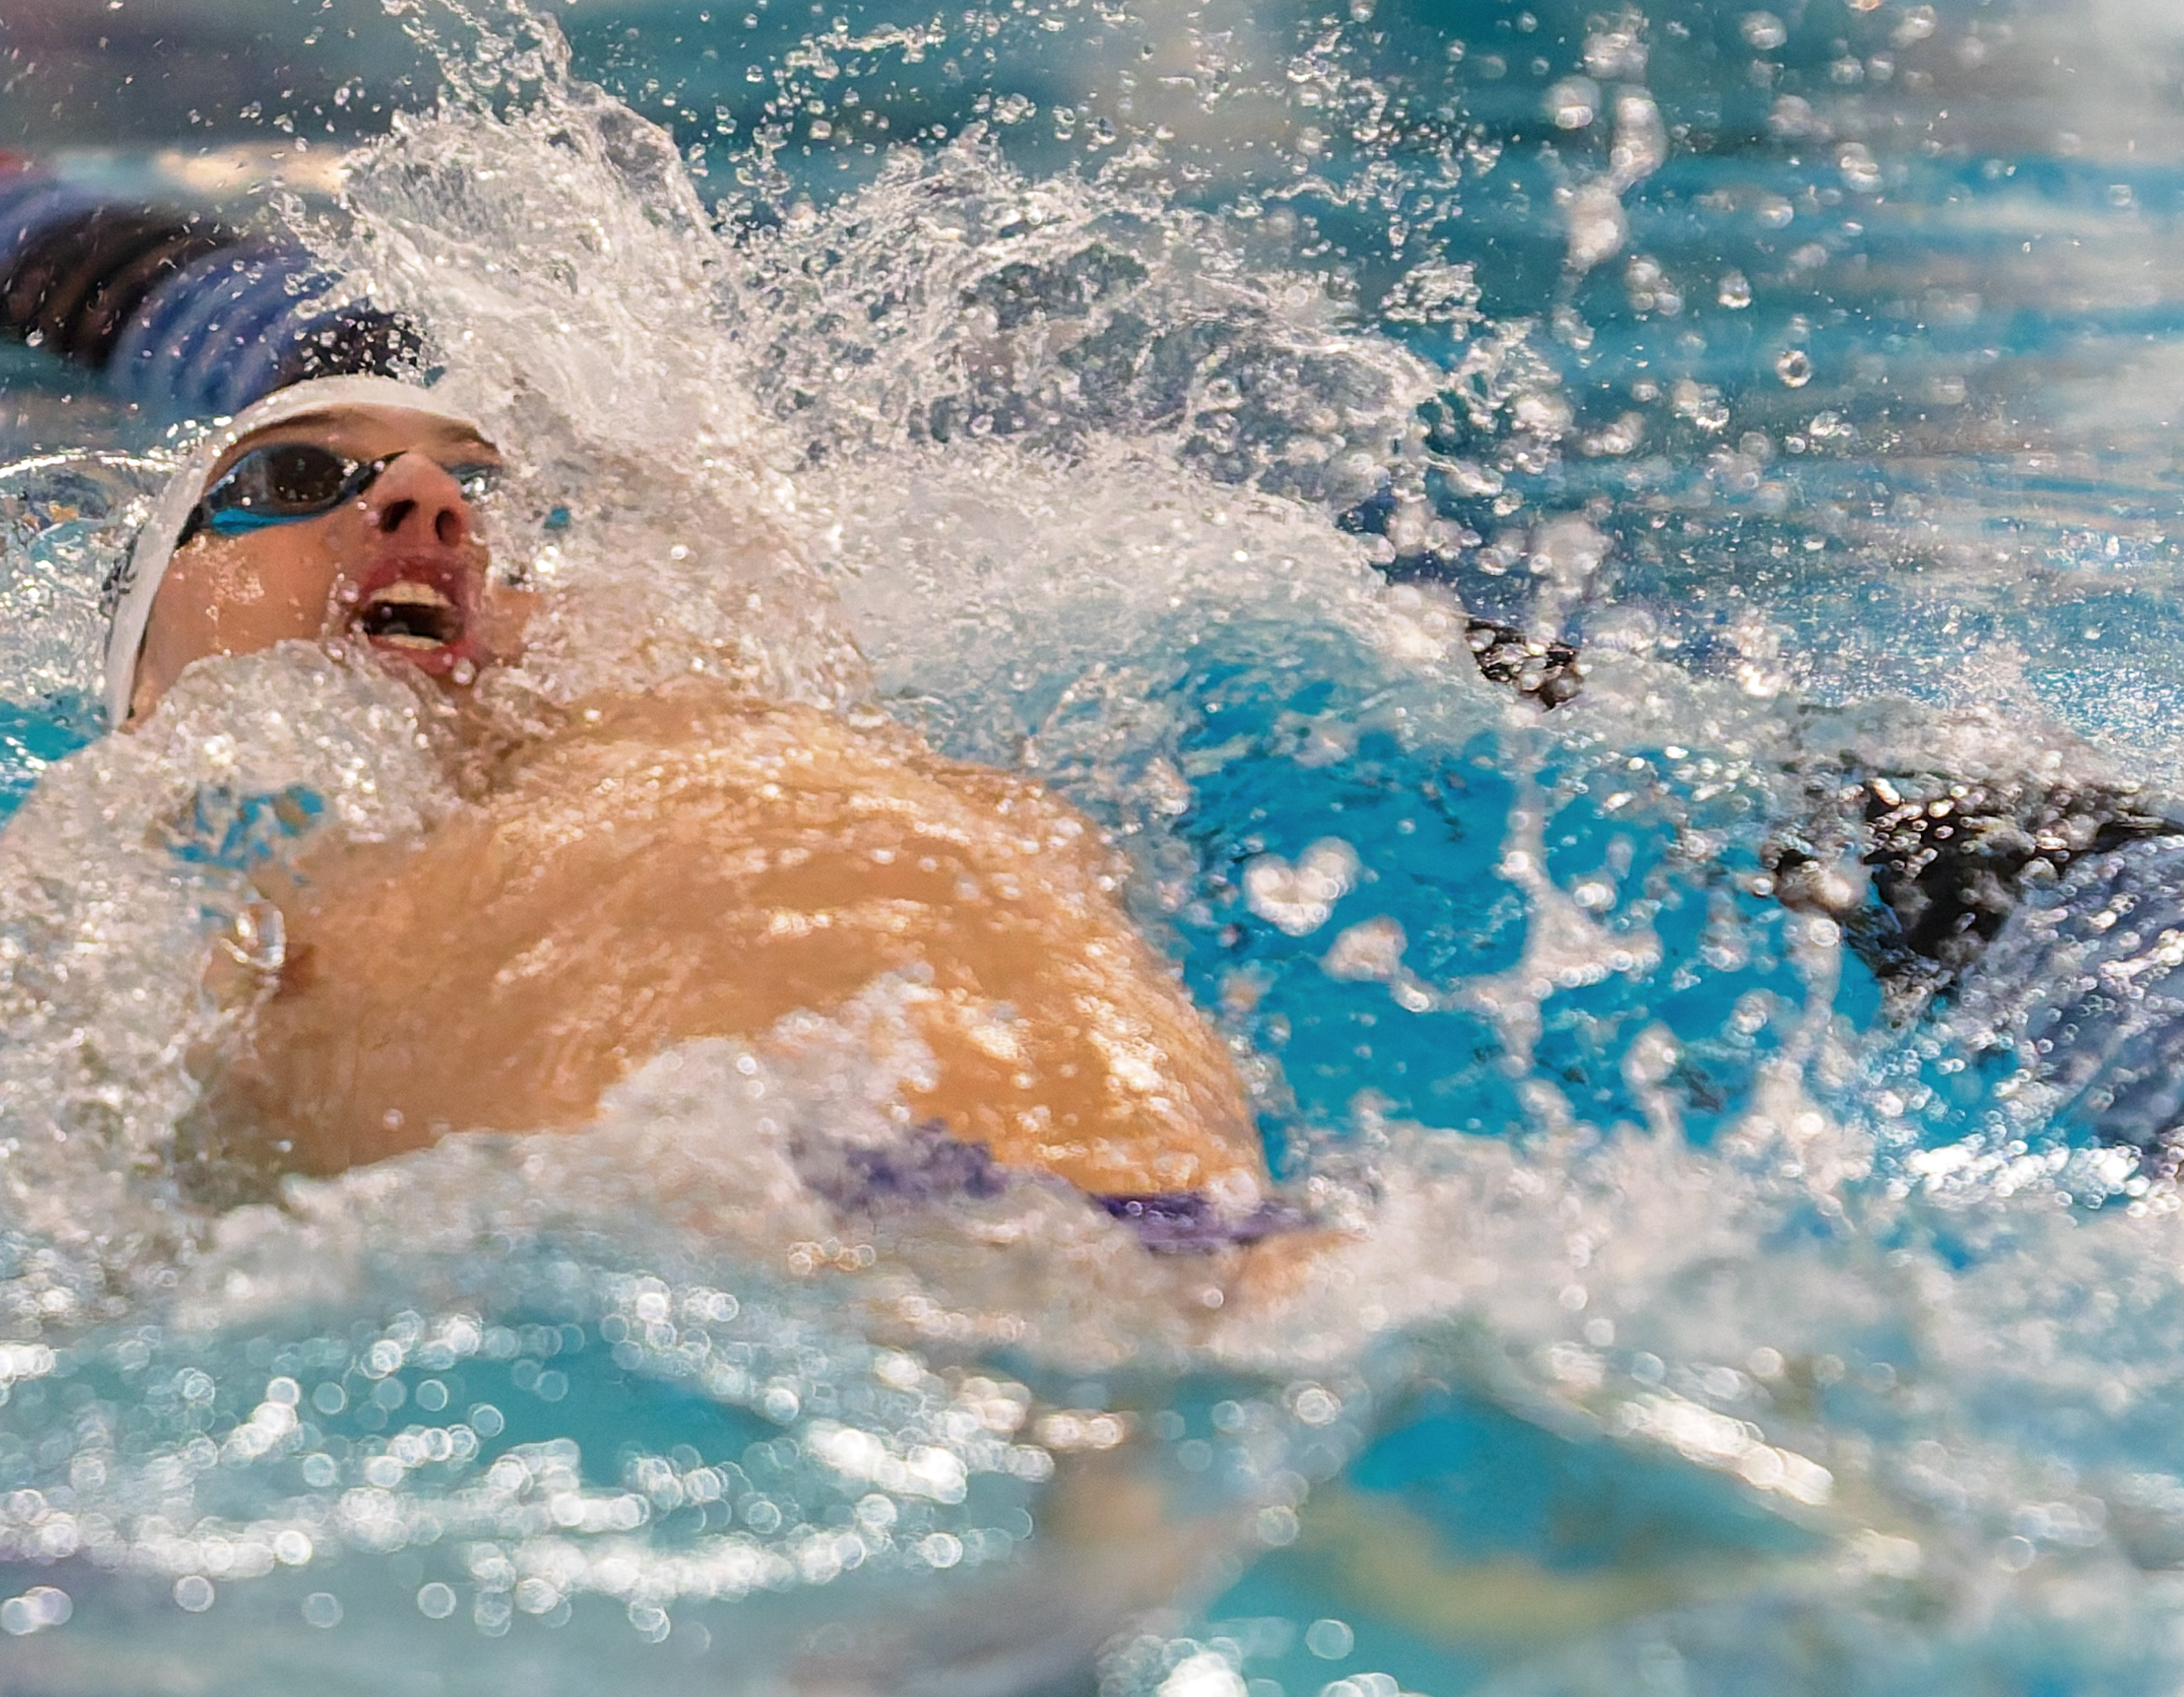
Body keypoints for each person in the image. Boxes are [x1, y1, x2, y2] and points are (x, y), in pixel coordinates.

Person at [102, 373, 1304, 1249]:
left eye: (484, 496)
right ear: (140, 689)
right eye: (291, 481)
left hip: (1225, 1235)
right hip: (801, 1252)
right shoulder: (163, 901)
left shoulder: (822, 742)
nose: (428, 502)